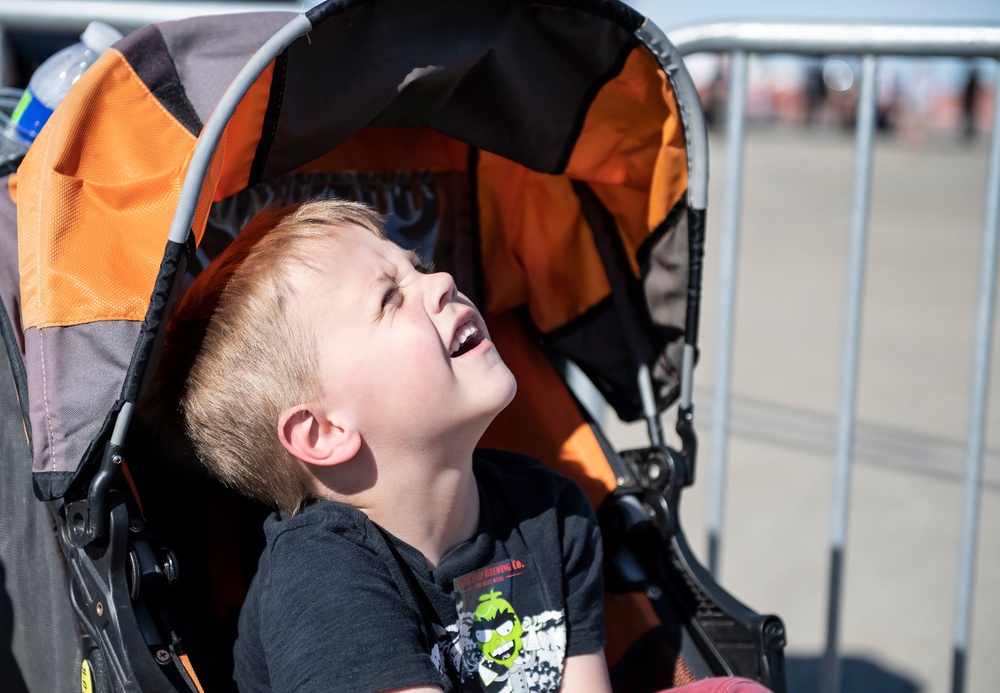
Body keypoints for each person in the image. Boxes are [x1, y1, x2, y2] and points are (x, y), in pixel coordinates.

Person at [156, 198, 771, 693]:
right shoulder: (319, 579)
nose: (442, 281)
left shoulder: (551, 515)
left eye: (418, 266)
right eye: (391, 297)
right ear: (323, 432)